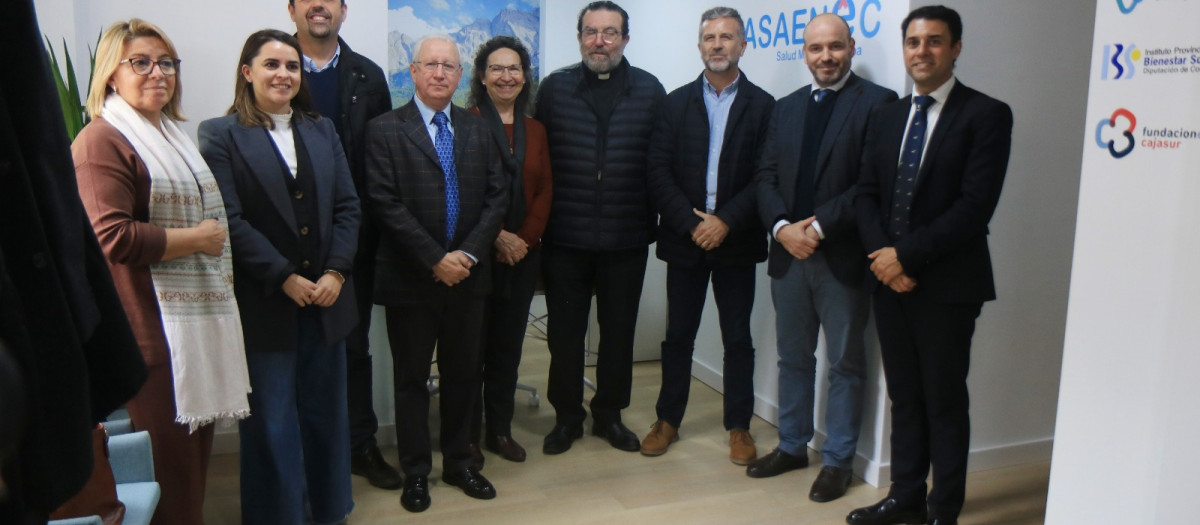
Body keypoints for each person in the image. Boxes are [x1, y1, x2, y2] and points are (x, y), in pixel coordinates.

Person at [72, 18, 251, 525]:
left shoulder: (171, 136)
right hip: (148, 339)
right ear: (111, 74)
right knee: (170, 480)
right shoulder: (100, 140)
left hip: (191, 336)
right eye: (141, 62)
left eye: (167, 62)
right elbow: (113, 237)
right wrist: (198, 238)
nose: (158, 73)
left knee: (190, 476)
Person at [847, 6, 1012, 525]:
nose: (922, 51)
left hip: (946, 285)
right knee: (905, 397)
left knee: (943, 401)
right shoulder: (889, 114)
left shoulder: (986, 115)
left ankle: (944, 510)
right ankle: (907, 496)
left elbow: (974, 206)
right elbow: (866, 195)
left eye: (935, 42)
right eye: (914, 42)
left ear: (956, 48)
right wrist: (883, 260)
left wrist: (905, 257)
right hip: (889, 281)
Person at [198, 29, 361, 525]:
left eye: (291, 66)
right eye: (271, 65)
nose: (283, 75)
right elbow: (229, 219)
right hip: (266, 300)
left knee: (325, 415)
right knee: (272, 420)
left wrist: (336, 271)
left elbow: (349, 207)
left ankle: (329, 511)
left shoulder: (322, 129)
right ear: (247, 72)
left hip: (328, 299)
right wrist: (285, 276)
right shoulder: (219, 133)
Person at [749, 12, 897, 504]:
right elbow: (764, 176)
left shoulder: (878, 104)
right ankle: (792, 445)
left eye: (835, 47)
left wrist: (815, 227)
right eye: (816, 48)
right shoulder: (785, 108)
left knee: (846, 364)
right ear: (804, 52)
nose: (825, 57)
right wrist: (781, 229)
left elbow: (870, 184)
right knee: (793, 358)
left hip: (843, 258)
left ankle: (837, 461)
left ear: (851, 48)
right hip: (788, 255)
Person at [365, 34, 507, 513]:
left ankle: (461, 463)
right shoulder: (384, 129)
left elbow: (496, 197)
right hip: (410, 278)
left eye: (449, 65)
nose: (440, 73)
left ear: (460, 73)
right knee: (410, 380)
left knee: (464, 374)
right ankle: (417, 472)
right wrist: (434, 258)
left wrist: (465, 255)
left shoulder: (478, 127)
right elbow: (384, 203)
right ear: (412, 70)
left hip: (469, 277)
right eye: (431, 64)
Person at [640, 6, 773, 466]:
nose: (718, 44)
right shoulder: (673, 103)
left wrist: (726, 221)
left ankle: (739, 426)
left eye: (727, 37)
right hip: (685, 240)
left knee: (737, 338)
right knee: (678, 335)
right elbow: (656, 172)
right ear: (699, 46)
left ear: (742, 44)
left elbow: (765, 176)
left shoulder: (764, 105)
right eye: (710, 37)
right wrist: (694, 223)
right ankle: (667, 420)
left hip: (736, 241)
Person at [535, 0, 666, 456]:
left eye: (610, 33)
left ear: (625, 40)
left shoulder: (650, 91)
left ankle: (609, 414)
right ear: (579, 38)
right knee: (564, 335)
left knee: (618, 334)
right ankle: (567, 417)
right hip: (565, 237)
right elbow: (536, 161)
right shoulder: (554, 89)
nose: (600, 41)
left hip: (625, 237)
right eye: (591, 32)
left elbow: (661, 164)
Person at [287, 0, 399, 490]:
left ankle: (360, 445)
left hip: (352, 237)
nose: (319, 5)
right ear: (291, 9)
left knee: (352, 347)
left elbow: (383, 160)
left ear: (343, 10)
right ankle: (298, 455)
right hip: (285, 239)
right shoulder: (274, 63)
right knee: (288, 351)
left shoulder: (368, 77)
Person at [466, 36, 553, 465]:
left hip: (524, 256)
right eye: (497, 69)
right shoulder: (465, 123)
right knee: (471, 348)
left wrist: (526, 239)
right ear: (482, 76)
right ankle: (465, 433)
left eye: (514, 68)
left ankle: (498, 429)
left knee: (507, 348)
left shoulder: (535, 129)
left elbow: (545, 189)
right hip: (477, 256)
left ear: (524, 77)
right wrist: (498, 236)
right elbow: (464, 192)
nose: (506, 76)